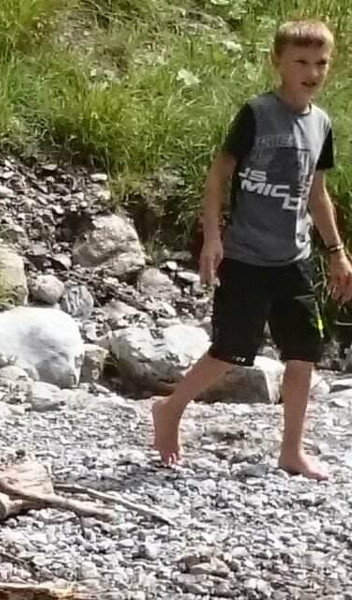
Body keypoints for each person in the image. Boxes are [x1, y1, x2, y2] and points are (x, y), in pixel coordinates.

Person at [152, 19, 352, 480]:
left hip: (294, 258)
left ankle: (292, 451)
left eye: (321, 63)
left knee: (303, 352)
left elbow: (317, 192)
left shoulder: (321, 124)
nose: (312, 72)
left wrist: (336, 251)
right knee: (230, 349)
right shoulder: (257, 113)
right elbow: (217, 177)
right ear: (277, 62)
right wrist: (213, 238)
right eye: (301, 62)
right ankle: (171, 407)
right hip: (246, 256)